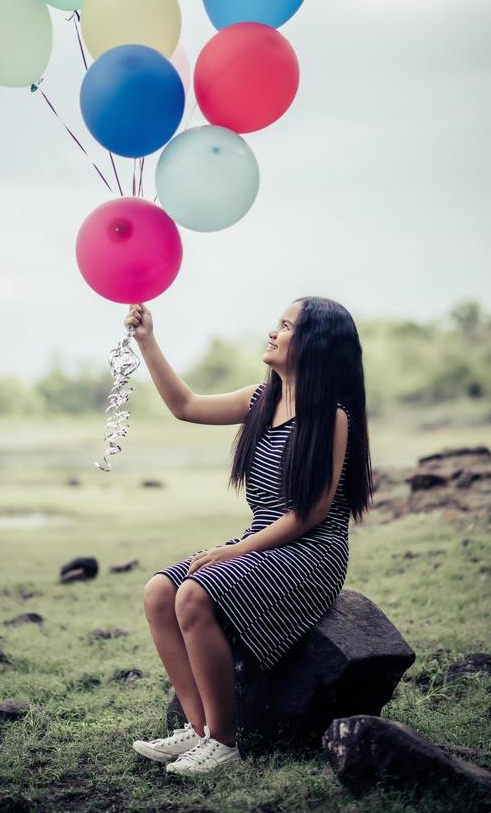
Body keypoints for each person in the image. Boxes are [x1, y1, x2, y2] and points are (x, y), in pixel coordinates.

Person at [128, 296, 374, 776]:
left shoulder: (332, 417)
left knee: (195, 593)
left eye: (285, 326)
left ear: (315, 344)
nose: (273, 332)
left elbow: (310, 514)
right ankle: (198, 730)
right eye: (278, 323)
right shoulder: (262, 400)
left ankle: (223, 742)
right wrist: (147, 341)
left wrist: (234, 551)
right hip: (263, 544)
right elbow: (186, 406)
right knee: (160, 591)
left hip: (311, 553)